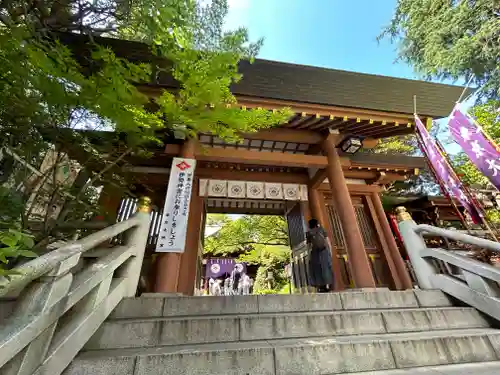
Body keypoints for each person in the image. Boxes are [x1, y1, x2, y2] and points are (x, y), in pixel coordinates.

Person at [306, 218, 334, 293]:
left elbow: (309, 246)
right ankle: (327, 285)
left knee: (317, 269)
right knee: (326, 267)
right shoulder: (321, 229)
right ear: (317, 223)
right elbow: (327, 240)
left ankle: (320, 286)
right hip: (324, 250)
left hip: (315, 252)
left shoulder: (308, 233)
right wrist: (330, 250)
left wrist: (308, 256)